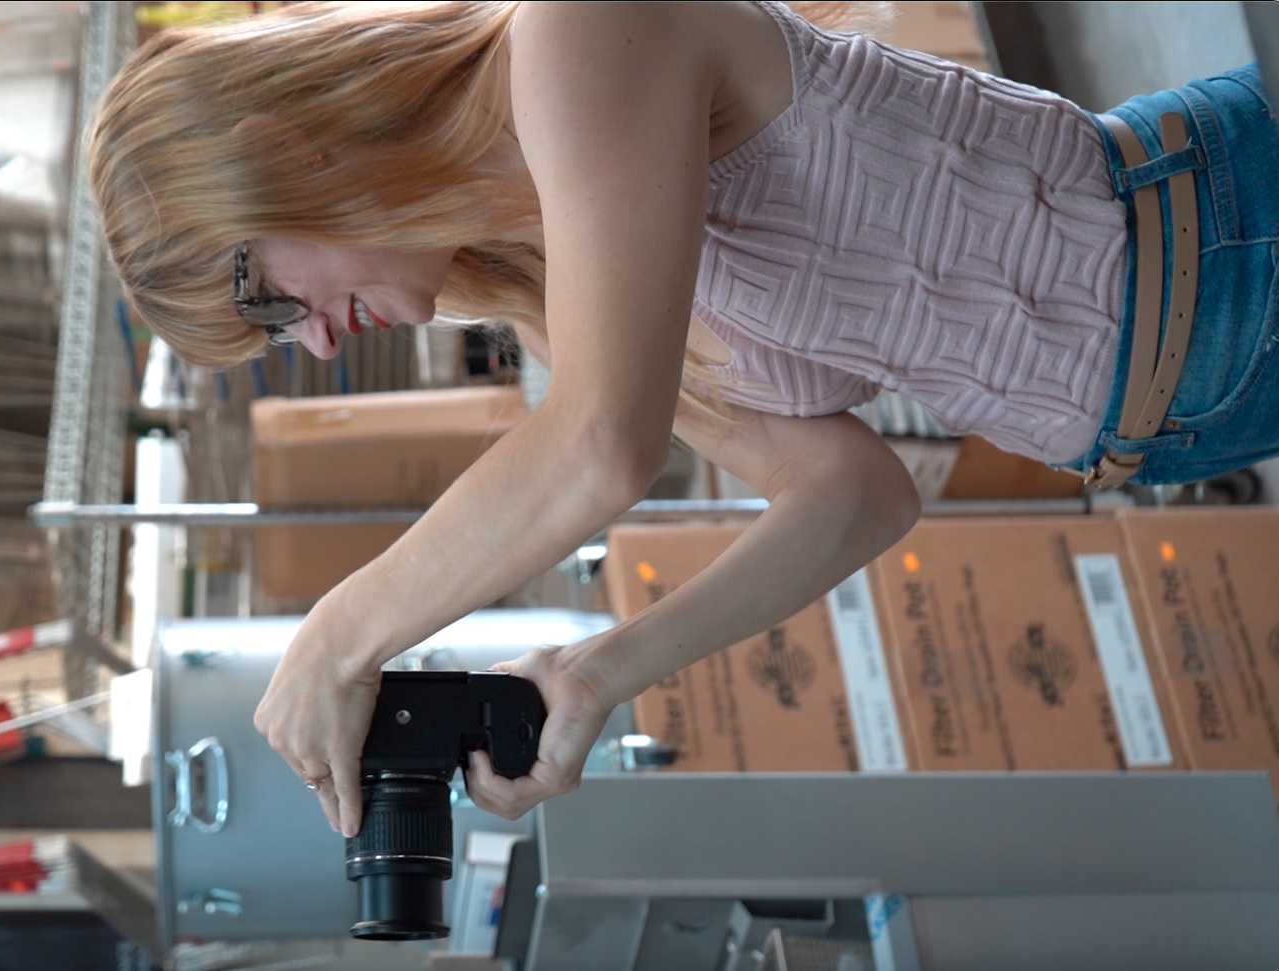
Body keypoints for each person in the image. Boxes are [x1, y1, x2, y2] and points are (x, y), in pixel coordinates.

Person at [89, 2, 1279, 838]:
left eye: (263, 295)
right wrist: (599, 669)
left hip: (1227, 252)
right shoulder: (560, 284)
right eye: (269, 339)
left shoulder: (573, 37)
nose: (314, 337)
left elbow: (607, 442)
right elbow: (856, 493)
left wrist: (335, 632)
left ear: (269, 152)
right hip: (1186, 417)